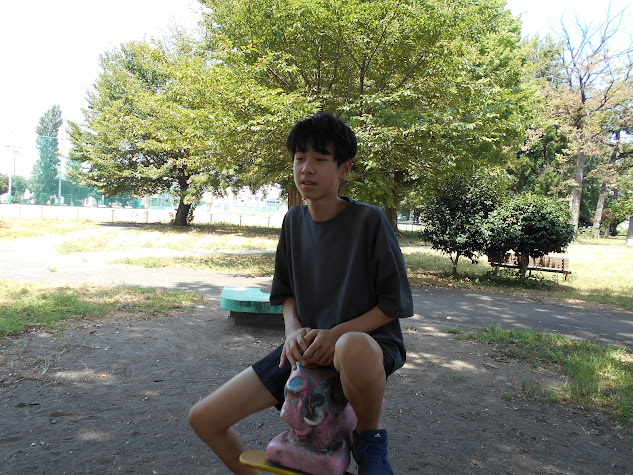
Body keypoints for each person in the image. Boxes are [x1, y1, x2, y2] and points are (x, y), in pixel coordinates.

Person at [189, 112, 414, 474]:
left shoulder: (369, 221)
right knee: (204, 418)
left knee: (350, 346)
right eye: (300, 158)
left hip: (365, 347)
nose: (307, 168)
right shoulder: (293, 221)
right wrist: (292, 329)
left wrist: (335, 335)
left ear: (344, 169)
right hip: (306, 352)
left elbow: (393, 304)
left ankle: (369, 440)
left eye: (320, 159)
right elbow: (286, 293)